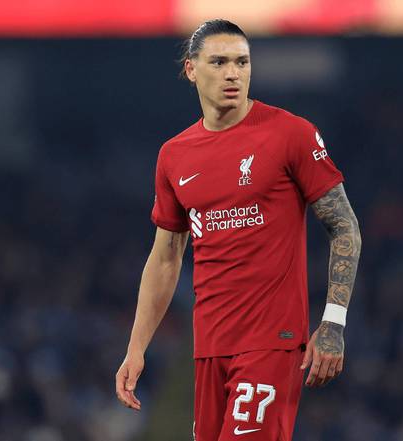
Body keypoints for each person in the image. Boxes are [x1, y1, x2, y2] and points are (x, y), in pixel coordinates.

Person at [115, 19, 361, 441]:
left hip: (272, 340)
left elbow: (344, 226)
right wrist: (136, 348)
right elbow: (166, 257)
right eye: (219, 62)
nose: (233, 73)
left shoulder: (291, 134)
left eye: (242, 62)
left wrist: (334, 322)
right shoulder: (174, 155)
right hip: (210, 346)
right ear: (191, 69)